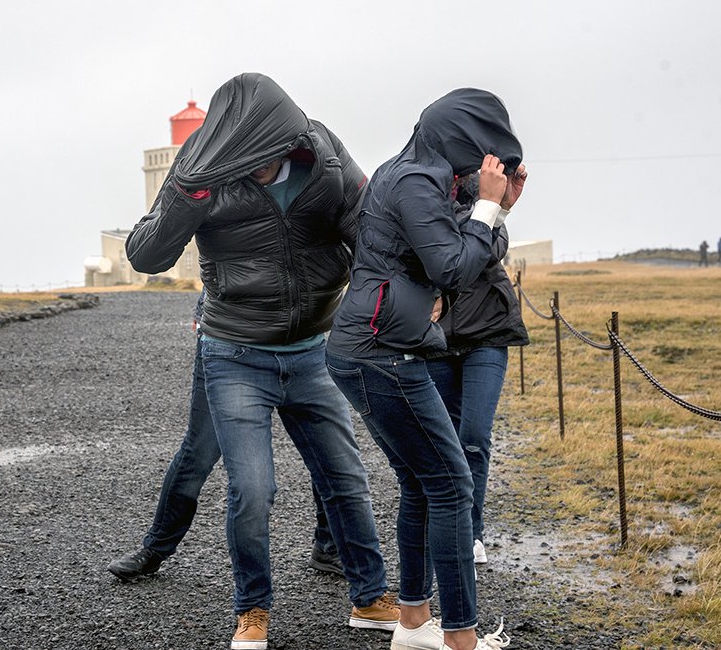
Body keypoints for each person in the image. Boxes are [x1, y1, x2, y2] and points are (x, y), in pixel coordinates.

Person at [124, 73, 397, 650]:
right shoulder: (201, 167)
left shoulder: (320, 151)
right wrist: (187, 192)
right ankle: (252, 612)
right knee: (251, 489)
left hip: (313, 351)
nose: (254, 162)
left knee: (346, 478)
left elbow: (365, 226)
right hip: (235, 356)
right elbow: (147, 254)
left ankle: (370, 598)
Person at [326, 88, 522, 650]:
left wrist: (498, 208)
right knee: (453, 484)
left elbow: (469, 251)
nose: (488, 162)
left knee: (422, 482)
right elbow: (454, 267)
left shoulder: (421, 174)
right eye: (486, 149)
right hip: (381, 352)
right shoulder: (416, 181)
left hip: (378, 346)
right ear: (464, 139)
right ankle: (461, 640)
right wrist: (485, 206)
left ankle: (413, 625)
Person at [107, 292, 344, 582]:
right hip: (227, 346)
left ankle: (329, 547)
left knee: (328, 453)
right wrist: (204, 312)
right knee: (200, 450)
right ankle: (155, 548)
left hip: (302, 348)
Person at [425, 216, 529, 568]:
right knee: (444, 438)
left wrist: (485, 212)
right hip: (438, 336)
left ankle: (471, 533)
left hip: (488, 333)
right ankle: (447, 526)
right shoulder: (423, 194)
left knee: (473, 435)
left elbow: (494, 246)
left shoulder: (485, 197)